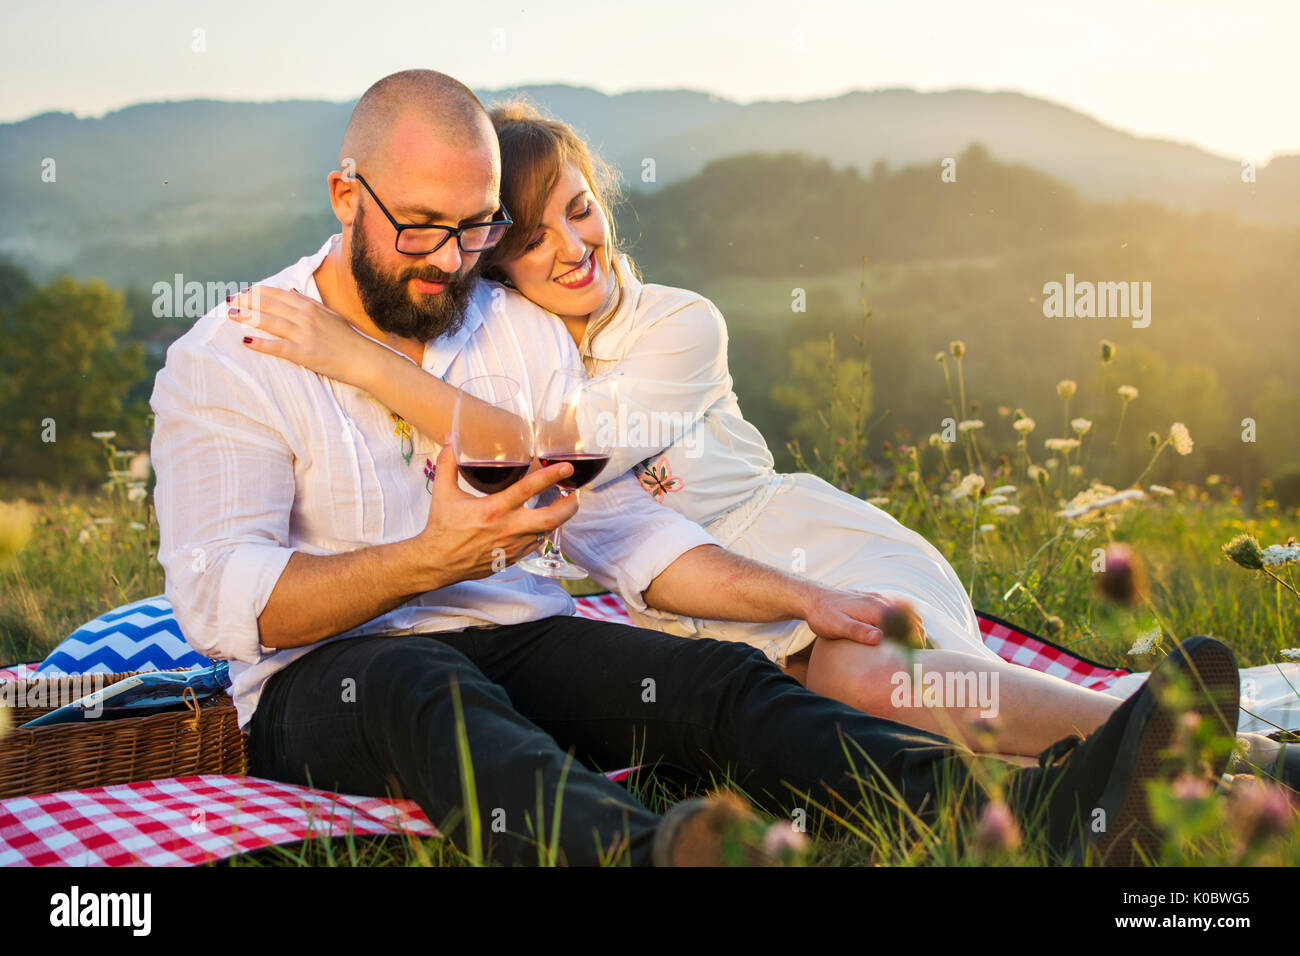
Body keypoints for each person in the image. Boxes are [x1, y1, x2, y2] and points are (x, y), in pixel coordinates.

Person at [159, 68, 1241, 867]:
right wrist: (420, 559)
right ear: (348, 197)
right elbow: (225, 603)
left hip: (511, 631)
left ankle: (1042, 817)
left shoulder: (510, 328)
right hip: (329, 677)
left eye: (475, 229)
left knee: (716, 678)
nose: (451, 261)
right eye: (422, 228)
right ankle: (648, 855)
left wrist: (799, 594)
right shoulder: (230, 357)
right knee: (413, 676)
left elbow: (622, 527)